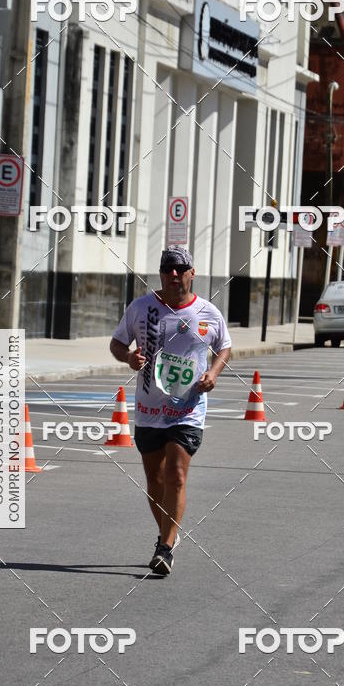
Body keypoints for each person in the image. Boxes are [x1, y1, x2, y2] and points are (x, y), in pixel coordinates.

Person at [110, 246, 232, 575]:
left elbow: (224, 347)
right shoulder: (141, 308)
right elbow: (117, 343)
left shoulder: (208, 313)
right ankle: (169, 532)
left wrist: (213, 373)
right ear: (162, 274)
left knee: (176, 476)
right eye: (167, 269)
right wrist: (128, 357)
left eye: (180, 269)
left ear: (192, 273)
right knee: (155, 480)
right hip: (148, 408)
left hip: (188, 410)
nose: (173, 275)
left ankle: (164, 547)